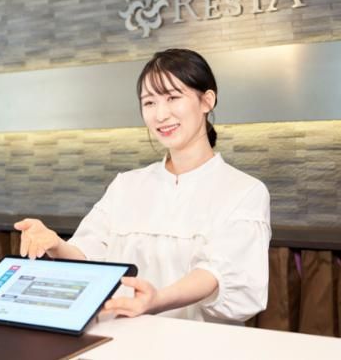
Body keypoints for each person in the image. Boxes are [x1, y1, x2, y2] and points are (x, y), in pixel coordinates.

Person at [14, 49, 271, 324]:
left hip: (196, 342)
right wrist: (55, 244)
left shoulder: (244, 191)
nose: (160, 114)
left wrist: (156, 300)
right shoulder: (126, 184)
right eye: (149, 102)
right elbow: (89, 256)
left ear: (207, 100)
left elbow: (219, 273)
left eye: (173, 98)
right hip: (117, 337)